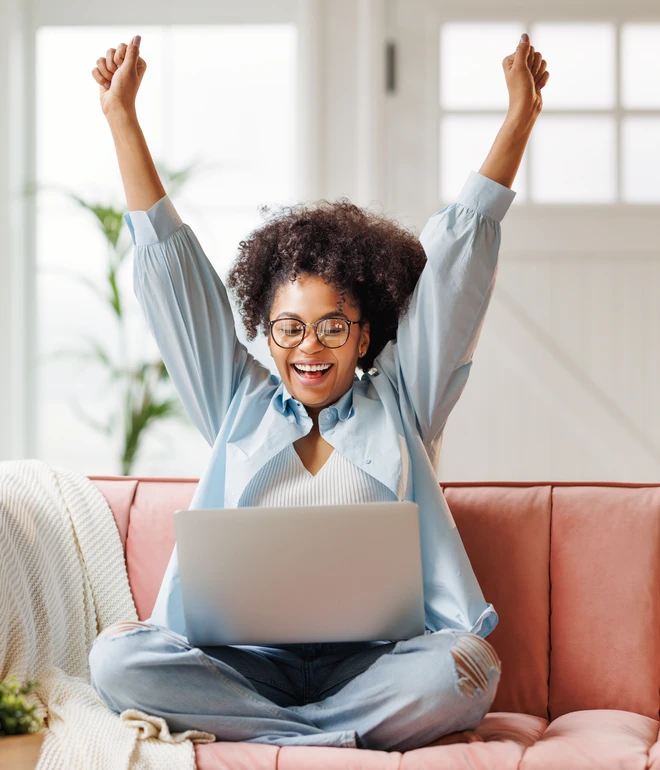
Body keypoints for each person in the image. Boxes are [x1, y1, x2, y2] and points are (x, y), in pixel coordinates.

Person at [88, 33, 549, 751]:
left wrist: (518, 119)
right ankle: (333, 740)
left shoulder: (401, 403)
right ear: (266, 334)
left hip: (376, 667)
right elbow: (176, 282)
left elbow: (454, 278)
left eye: (333, 326)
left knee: (467, 669)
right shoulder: (236, 404)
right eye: (290, 328)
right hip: (246, 666)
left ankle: (283, 739)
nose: (310, 346)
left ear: (365, 336)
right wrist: (123, 117)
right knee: (116, 658)